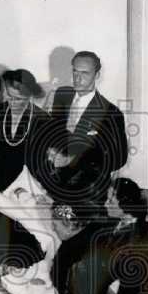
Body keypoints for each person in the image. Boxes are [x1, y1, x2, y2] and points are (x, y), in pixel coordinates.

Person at [48, 51, 129, 218]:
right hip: (56, 186)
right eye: (75, 72)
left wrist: (73, 159)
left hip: (89, 194)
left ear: (97, 75)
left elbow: (119, 158)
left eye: (84, 73)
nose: (77, 78)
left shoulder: (111, 112)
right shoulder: (62, 95)